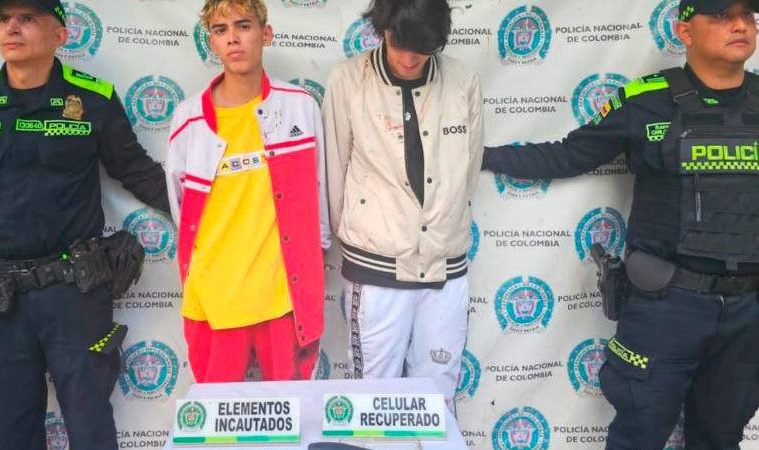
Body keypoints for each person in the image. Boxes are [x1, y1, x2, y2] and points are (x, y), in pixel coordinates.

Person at [482, 0, 759, 447]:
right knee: (638, 435)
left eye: (747, 16)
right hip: (667, 306)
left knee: (721, 438)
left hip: (748, 311)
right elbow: (569, 155)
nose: (740, 25)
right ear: (685, 32)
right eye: (722, 16)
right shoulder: (645, 100)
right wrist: (477, 155)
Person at [0, 0, 170, 448]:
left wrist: (202, 209)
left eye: (27, 19)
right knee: (8, 432)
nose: (12, 28)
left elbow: (134, 168)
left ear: (60, 35)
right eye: (4, 19)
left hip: (74, 292)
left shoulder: (94, 99)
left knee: (91, 428)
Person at [322, 0, 482, 406]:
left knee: (437, 397)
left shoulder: (463, 82)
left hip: (445, 266)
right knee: (371, 397)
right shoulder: (348, 80)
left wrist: (440, 229)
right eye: (399, 46)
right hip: (375, 266)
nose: (410, 60)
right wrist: (366, 234)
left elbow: (467, 174)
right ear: (382, 30)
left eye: (422, 50)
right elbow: (334, 172)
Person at [167, 0, 330, 383]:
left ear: (265, 34)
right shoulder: (188, 119)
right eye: (220, 30)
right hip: (215, 297)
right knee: (215, 414)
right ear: (211, 42)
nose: (233, 39)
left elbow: (319, 189)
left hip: (282, 296)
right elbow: (181, 206)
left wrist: (314, 259)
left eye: (243, 26)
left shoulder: (299, 107)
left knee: (290, 411)